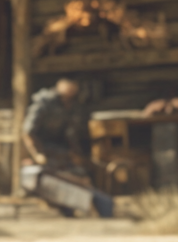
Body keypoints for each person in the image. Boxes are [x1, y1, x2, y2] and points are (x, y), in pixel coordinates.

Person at [21, 78, 114, 218]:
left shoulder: (72, 106)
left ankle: (96, 207)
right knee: (48, 179)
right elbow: (28, 132)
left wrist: (76, 154)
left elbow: (70, 133)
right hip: (43, 152)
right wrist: (37, 154)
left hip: (60, 152)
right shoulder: (44, 103)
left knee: (80, 177)